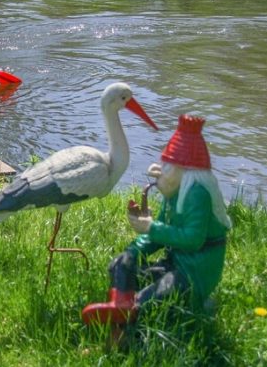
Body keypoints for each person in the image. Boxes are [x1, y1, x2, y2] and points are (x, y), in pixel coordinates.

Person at [81, 115, 232, 329]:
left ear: (186, 171)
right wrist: (132, 251)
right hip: (175, 263)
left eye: (168, 166)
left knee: (148, 301)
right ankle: (119, 306)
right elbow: (158, 233)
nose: (160, 169)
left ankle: (129, 328)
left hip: (194, 272)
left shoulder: (197, 195)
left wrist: (152, 227)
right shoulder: (174, 193)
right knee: (122, 267)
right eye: (164, 163)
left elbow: (193, 240)